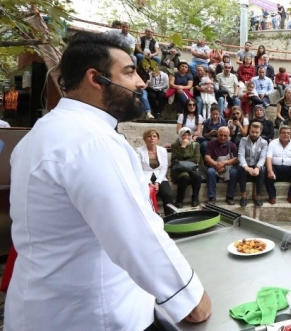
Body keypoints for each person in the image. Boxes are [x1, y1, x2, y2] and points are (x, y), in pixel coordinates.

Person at [7, 33, 212, 330]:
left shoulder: (41, 133)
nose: (141, 83)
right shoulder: (92, 141)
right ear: (96, 78)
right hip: (93, 316)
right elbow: (137, 236)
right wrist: (191, 300)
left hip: (42, 310)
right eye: (129, 72)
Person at [136, 129, 174, 214]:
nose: (152, 138)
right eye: (149, 136)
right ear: (145, 139)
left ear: (158, 139)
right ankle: (152, 216)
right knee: (147, 195)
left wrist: (157, 182)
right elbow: (139, 168)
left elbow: (164, 167)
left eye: (154, 136)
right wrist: (149, 183)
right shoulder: (139, 151)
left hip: (159, 176)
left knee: (168, 195)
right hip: (145, 176)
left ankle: (170, 217)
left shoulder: (162, 150)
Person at [266, 125, 291, 204]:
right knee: (266, 172)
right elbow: (268, 158)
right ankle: (272, 197)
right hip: (276, 168)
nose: (286, 135)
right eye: (284, 133)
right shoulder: (272, 143)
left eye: (288, 133)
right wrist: (269, 170)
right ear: (279, 134)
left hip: (289, 168)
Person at [204, 126, 239, 205]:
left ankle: (230, 196)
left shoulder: (232, 145)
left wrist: (224, 163)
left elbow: (236, 159)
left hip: (228, 168)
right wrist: (216, 164)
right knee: (210, 171)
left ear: (228, 135)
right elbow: (207, 157)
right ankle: (212, 197)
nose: (223, 137)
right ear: (217, 134)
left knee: (234, 172)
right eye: (221, 135)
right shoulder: (211, 144)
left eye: (225, 135)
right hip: (215, 167)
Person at [237, 122, 268, 207]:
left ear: (260, 132)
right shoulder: (243, 140)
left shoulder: (264, 142)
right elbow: (241, 155)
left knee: (262, 171)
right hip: (246, 164)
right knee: (241, 169)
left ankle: (257, 196)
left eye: (257, 132)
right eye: (252, 132)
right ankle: (243, 196)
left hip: (257, 165)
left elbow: (263, 157)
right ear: (249, 130)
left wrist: (257, 168)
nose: (254, 134)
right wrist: (246, 167)